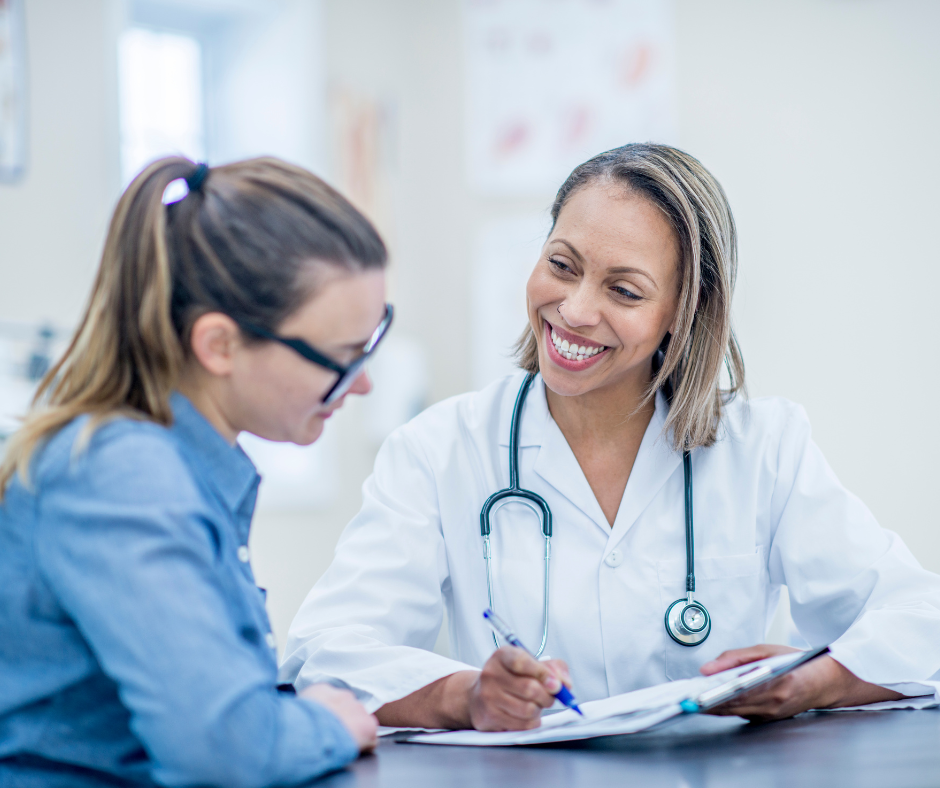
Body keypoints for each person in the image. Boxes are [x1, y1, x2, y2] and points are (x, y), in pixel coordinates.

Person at [279, 143, 940, 732]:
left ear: (683, 314)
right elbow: (329, 649)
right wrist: (467, 694)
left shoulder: (764, 448)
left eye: (624, 290)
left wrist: (812, 682)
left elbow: (920, 620)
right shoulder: (440, 450)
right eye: (562, 265)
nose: (574, 309)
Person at [0, 157, 389, 787]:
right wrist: (326, 723)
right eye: (342, 358)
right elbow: (224, 748)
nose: (363, 383)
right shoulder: (120, 478)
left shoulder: (172, 466)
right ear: (219, 346)